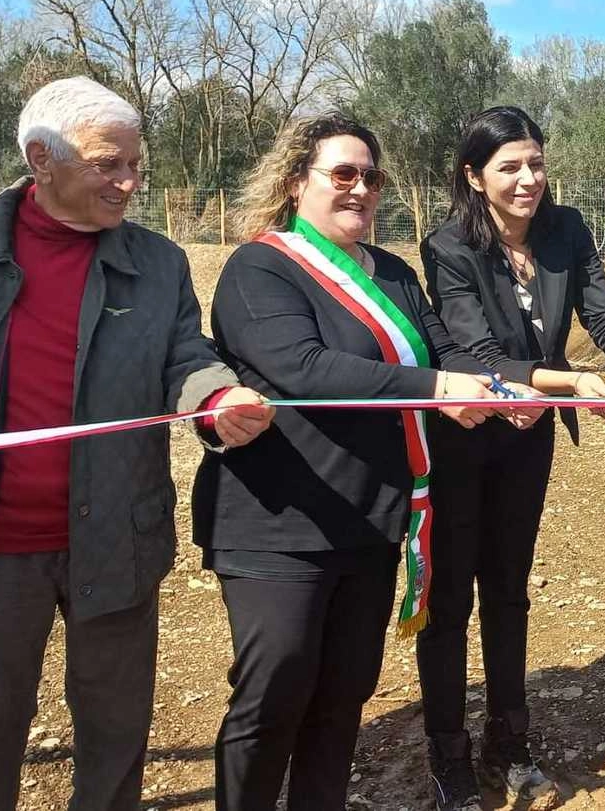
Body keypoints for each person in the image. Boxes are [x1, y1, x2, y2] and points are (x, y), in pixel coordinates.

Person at [0, 76, 272, 810]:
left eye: (136, 163)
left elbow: (183, 355)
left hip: (116, 535)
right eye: (110, 164)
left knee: (115, 735)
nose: (131, 181)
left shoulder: (159, 262)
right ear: (41, 159)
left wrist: (215, 397)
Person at [192, 112, 530, 810]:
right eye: (342, 174)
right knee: (273, 695)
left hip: (371, 520)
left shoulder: (397, 274)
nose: (361, 189)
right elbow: (305, 368)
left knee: (343, 695)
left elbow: (443, 351)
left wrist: (498, 386)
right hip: (278, 526)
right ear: (296, 182)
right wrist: (439, 390)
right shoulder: (260, 267)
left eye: (371, 177)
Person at [416, 106, 605, 811]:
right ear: (475, 177)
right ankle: (448, 754)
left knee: (507, 589)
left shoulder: (564, 230)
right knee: (449, 601)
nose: (528, 178)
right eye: (509, 167)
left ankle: (510, 738)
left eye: (535, 162)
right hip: (462, 437)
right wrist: (570, 380)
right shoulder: (448, 246)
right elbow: (478, 354)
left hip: (527, 438)